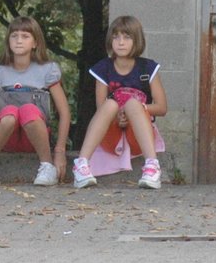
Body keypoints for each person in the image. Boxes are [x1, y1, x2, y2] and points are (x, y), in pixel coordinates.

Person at [0, 17, 70, 189]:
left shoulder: (47, 70)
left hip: (36, 138)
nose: (19, 40)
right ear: (8, 41)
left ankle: (46, 166)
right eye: (14, 36)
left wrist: (59, 153)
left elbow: (65, 113)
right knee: (9, 112)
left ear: (35, 42)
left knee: (29, 110)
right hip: (7, 138)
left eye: (25, 36)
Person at [71, 16, 168, 189]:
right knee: (110, 104)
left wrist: (135, 111)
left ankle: (152, 166)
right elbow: (101, 109)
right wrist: (117, 116)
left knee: (132, 104)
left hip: (138, 135)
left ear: (137, 40)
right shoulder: (103, 68)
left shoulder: (148, 68)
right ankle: (81, 165)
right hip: (112, 135)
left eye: (127, 37)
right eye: (116, 37)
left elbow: (162, 107)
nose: (120, 42)